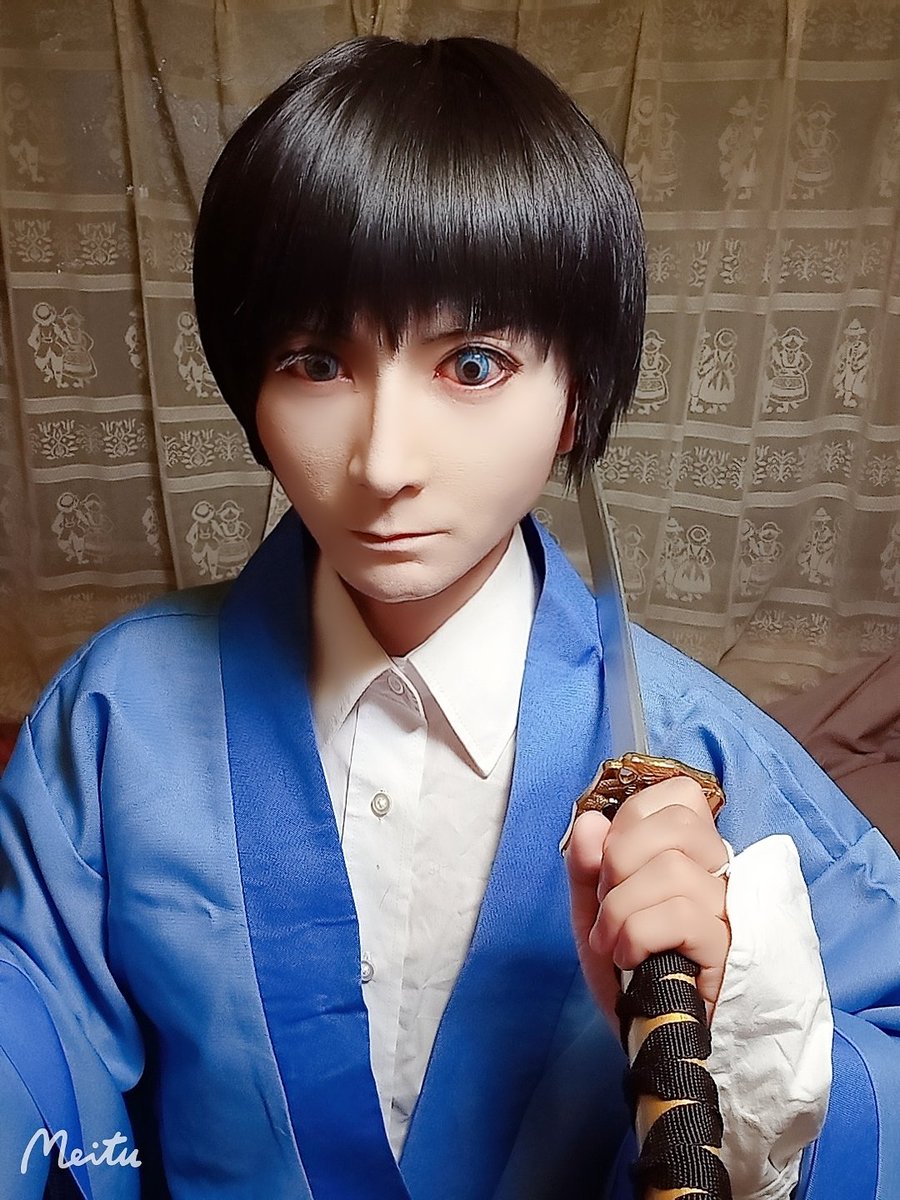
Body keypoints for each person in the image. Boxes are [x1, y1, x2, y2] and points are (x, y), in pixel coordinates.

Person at [0, 35, 898, 1200]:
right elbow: (35, 1031)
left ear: (574, 399)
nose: (382, 463)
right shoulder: (116, 718)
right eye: (315, 362)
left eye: (472, 365)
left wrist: (752, 1035)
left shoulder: (700, 755)